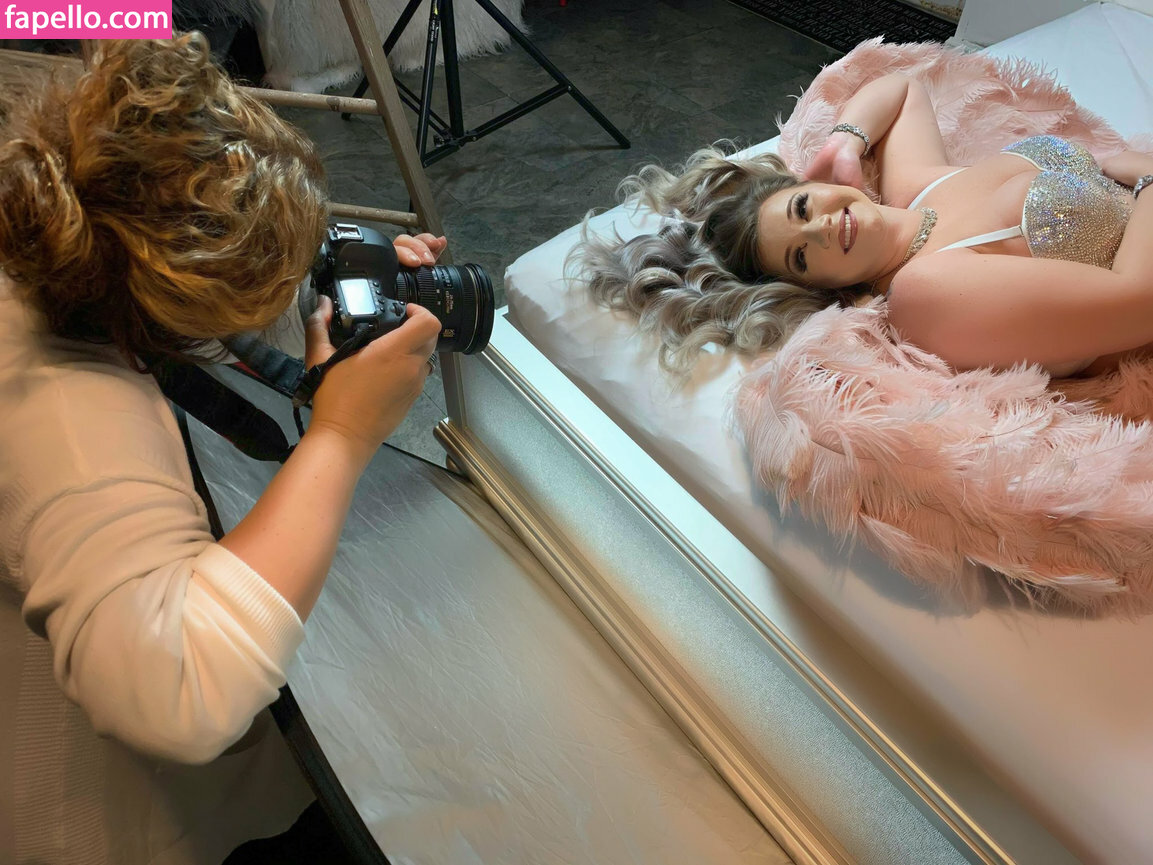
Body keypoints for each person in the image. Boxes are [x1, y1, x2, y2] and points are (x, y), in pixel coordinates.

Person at [0, 35, 446, 865]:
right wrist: (343, 433)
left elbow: (193, 316)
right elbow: (178, 696)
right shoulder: (67, 415)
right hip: (137, 820)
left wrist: (323, 281)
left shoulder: (76, 221)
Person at [576, 72, 1153, 380]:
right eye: (803, 257)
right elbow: (1139, 302)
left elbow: (902, 88)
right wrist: (1145, 178)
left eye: (803, 208)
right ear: (819, 287)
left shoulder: (917, 191)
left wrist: (845, 143)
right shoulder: (925, 288)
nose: (823, 230)